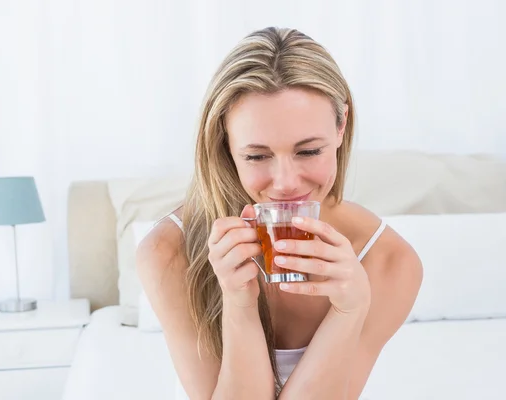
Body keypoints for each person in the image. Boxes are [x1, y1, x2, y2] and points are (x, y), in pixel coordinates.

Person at [137, 27, 423, 400]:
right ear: (225, 142)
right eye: (257, 156)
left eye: (308, 152)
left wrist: (348, 312)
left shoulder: (388, 262)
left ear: (341, 127)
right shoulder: (170, 251)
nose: (286, 183)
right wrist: (238, 304)